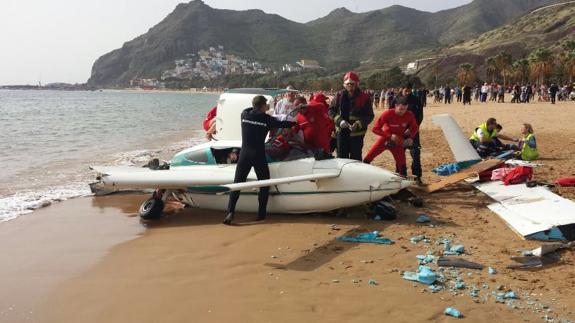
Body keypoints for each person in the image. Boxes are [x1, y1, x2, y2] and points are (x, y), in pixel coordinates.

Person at [224, 95, 296, 225]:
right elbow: (283, 124)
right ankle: (261, 214)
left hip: (244, 154)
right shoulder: (267, 119)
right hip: (258, 155)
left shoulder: (244, 114)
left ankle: (230, 212)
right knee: (264, 184)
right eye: (266, 106)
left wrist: (257, 107)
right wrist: (295, 123)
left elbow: (249, 109)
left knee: (237, 184)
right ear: (263, 106)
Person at [363, 96, 418, 176]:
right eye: (400, 109)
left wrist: (411, 137)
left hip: (398, 141)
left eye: (405, 109)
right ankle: (361, 175)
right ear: (396, 106)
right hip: (384, 140)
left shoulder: (409, 114)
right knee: (368, 158)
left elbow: (415, 127)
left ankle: (402, 185)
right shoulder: (387, 113)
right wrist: (389, 135)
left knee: (402, 165)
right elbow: (375, 129)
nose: (402, 112)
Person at [328, 72, 374, 161]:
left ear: (357, 84)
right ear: (344, 84)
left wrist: (358, 123)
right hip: (341, 133)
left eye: (352, 84)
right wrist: (340, 121)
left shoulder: (364, 97)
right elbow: (331, 111)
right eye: (347, 84)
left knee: (356, 158)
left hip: (357, 135)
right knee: (341, 158)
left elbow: (369, 115)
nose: (350, 86)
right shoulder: (339, 96)